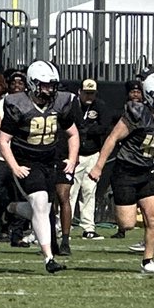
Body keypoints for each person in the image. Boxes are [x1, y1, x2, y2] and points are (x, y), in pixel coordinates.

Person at [89, 71, 154, 277]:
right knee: (128, 224)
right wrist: (98, 166)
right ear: (151, 95)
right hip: (125, 171)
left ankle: (148, 261)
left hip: (147, 171)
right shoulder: (136, 113)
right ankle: (122, 203)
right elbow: (112, 138)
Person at [0, 60, 78, 272]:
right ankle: (49, 258)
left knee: (44, 208)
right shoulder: (18, 105)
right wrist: (14, 167)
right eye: (45, 84)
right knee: (40, 203)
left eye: (52, 84)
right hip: (26, 161)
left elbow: (73, 133)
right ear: (32, 83)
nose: (50, 89)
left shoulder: (60, 103)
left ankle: (11, 208)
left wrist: (73, 158)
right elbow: (3, 140)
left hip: (49, 160)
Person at [68, 78, 112, 240]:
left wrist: (89, 130)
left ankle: (88, 227)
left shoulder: (100, 106)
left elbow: (105, 126)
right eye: (86, 93)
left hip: (92, 154)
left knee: (89, 191)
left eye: (92, 93)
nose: (89, 96)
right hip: (75, 154)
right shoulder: (73, 106)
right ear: (79, 92)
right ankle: (65, 226)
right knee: (70, 192)